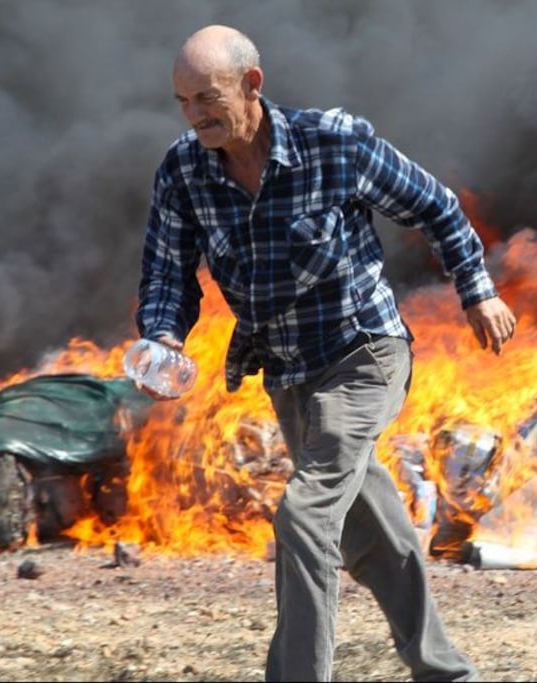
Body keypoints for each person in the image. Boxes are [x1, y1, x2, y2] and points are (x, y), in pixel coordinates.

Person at [133, 24, 516, 682]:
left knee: (305, 516)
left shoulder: (333, 142)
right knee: (374, 539)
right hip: (288, 374)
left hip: (364, 352)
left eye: (208, 97)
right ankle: (448, 672)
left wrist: (477, 291)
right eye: (183, 101)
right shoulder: (184, 170)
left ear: (252, 85)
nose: (196, 115)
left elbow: (437, 206)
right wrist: (163, 333)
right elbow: (168, 271)